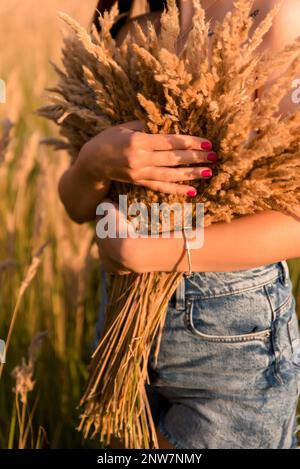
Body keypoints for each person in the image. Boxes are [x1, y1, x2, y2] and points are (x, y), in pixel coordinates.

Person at [58, 0, 300, 449]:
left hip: (231, 340)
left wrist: (154, 252)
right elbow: (76, 208)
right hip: (122, 323)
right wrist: (93, 164)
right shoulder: (131, 25)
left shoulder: (273, 16)